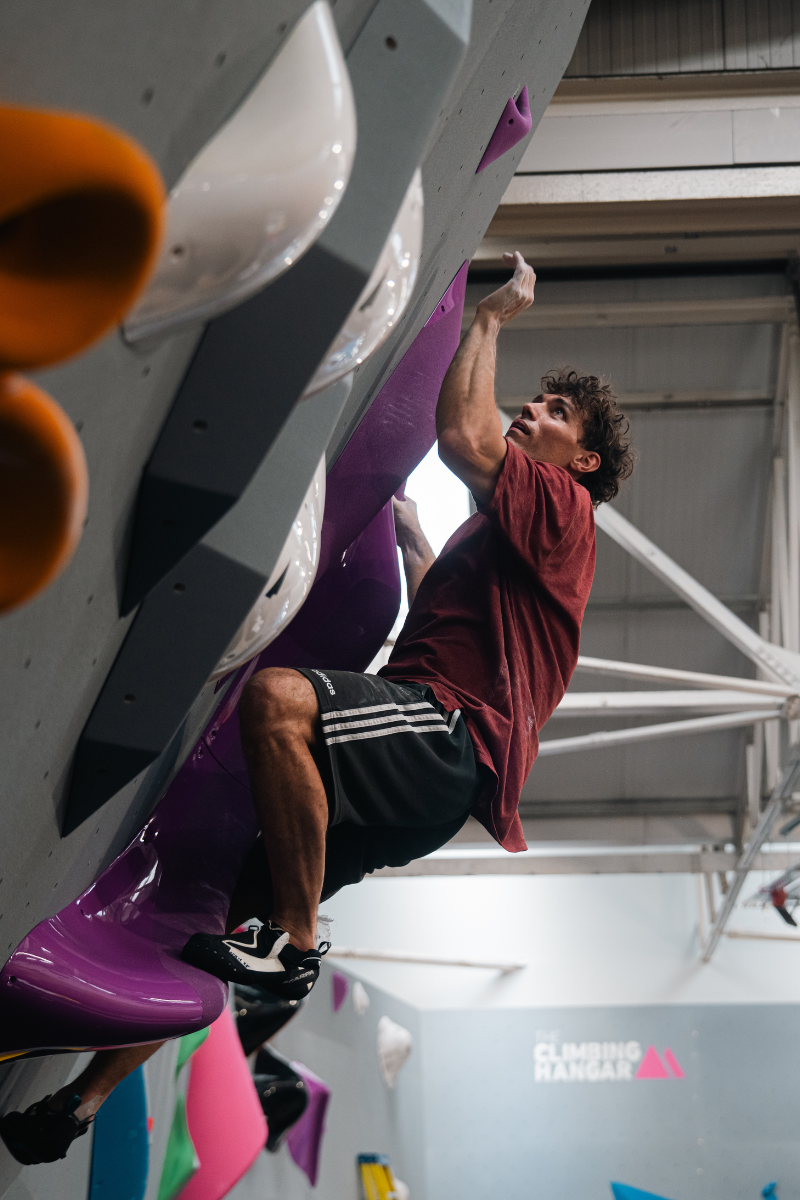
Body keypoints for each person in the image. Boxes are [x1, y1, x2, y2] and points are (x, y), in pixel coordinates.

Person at [0, 251, 633, 1165]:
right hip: (432, 768)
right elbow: (446, 622)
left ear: (585, 458)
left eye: (553, 412)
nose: (530, 409)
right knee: (210, 922)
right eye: (536, 398)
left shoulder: (565, 505)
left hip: (450, 741)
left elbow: (463, 438)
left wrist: (488, 321)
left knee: (280, 701)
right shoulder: (505, 539)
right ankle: (81, 1105)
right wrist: (417, 542)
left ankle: (297, 942)